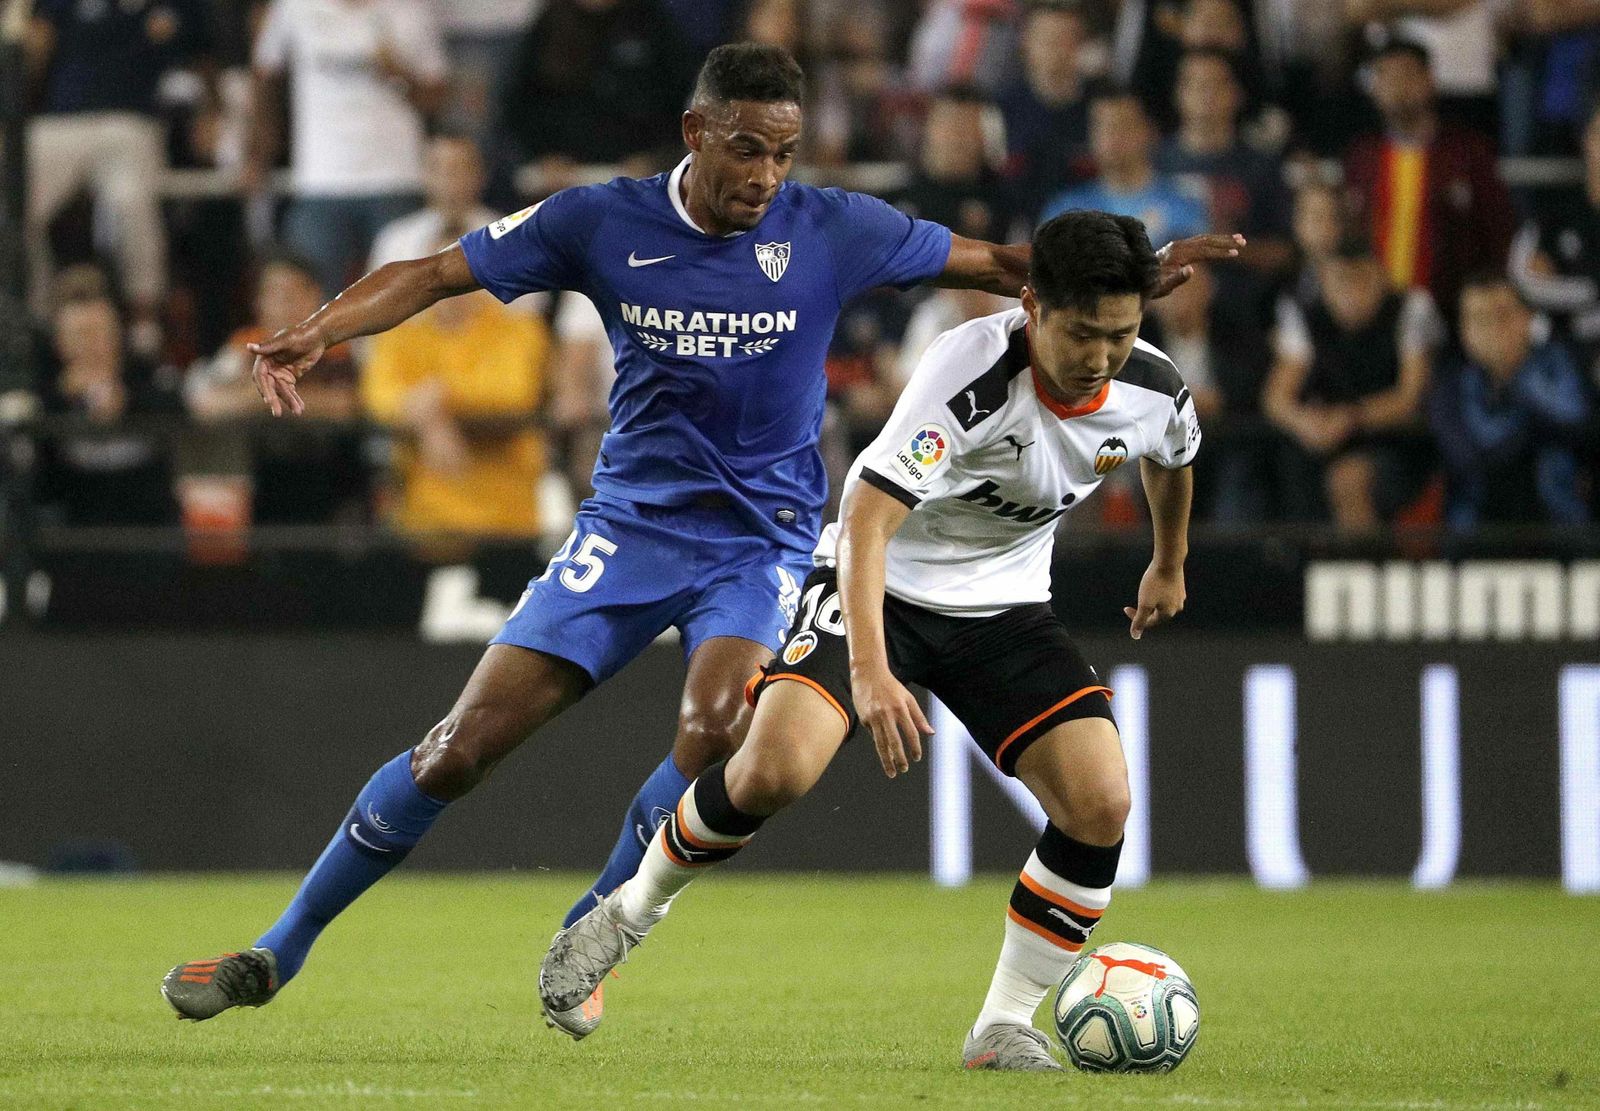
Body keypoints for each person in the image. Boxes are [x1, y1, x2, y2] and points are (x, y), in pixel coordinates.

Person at [159, 43, 1237, 1033]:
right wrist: (317, 332)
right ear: (695, 132)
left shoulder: (833, 227)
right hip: (628, 526)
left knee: (720, 721)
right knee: (459, 749)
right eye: (746, 150)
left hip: (763, 542)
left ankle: (590, 936)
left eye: (783, 154)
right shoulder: (599, 221)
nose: (766, 176)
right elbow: (440, 271)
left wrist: (1132, 277)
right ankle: (277, 950)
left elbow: (1010, 266)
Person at [537, 211, 1200, 1067]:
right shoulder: (970, 375)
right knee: (774, 768)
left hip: (1004, 610)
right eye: (1083, 333)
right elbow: (867, 516)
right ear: (1032, 305)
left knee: (1101, 803)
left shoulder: (1153, 384)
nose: (1102, 356)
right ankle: (627, 913)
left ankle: (1001, 1024)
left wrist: (1169, 563)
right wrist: (873, 667)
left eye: (1122, 333)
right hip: (875, 584)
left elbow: (1174, 457)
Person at [23, 0, 214, 351]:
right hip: (58, 123)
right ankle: (34, 318)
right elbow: (34, 49)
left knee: (130, 202)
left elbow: (205, 57)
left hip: (130, 122)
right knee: (12, 204)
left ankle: (145, 322)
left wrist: (210, 112)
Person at [248, 0, 449, 296]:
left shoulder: (410, 9)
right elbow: (265, 74)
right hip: (320, 179)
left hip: (394, 178)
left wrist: (399, 73)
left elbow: (436, 96)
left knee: (401, 301)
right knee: (312, 305)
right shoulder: (294, 6)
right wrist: (259, 152)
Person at [1264, 237, 1442, 531]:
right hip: (1325, 437)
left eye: (1360, 281)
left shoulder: (1411, 309)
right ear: (1324, 283)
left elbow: (1409, 397)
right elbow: (1276, 397)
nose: (1351, 294)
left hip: (1398, 440)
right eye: (1340, 283)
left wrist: (1351, 418)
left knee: (1348, 479)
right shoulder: (1305, 315)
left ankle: (1361, 568)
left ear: (1380, 278)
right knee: (1285, 468)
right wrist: (1304, 422)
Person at [1344, 36, 1514, 327]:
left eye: (1407, 75)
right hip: (1378, 318)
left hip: (1453, 314)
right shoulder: (1362, 157)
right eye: (1385, 76)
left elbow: (1498, 229)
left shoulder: (1467, 152)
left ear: (1429, 80)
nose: (1397, 87)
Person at [1429, 274, 1592, 534]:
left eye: (1503, 315)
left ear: (1528, 318)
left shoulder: (1561, 362)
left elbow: (1578, 426)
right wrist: (1531, 427)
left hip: (1562, 529)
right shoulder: (1450, 383)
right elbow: (1468, 454)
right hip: (1478, 533)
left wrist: (1518, 377)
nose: (1494, 329)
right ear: (1464, 331)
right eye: (1481, 319)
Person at [1040, 88, 1209, 245]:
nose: (1112, 137)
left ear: (1148, 132)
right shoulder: (1065, 211)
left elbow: (1197, 273)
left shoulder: (1182, 204)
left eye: (1123, 126)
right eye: (1103, 127)